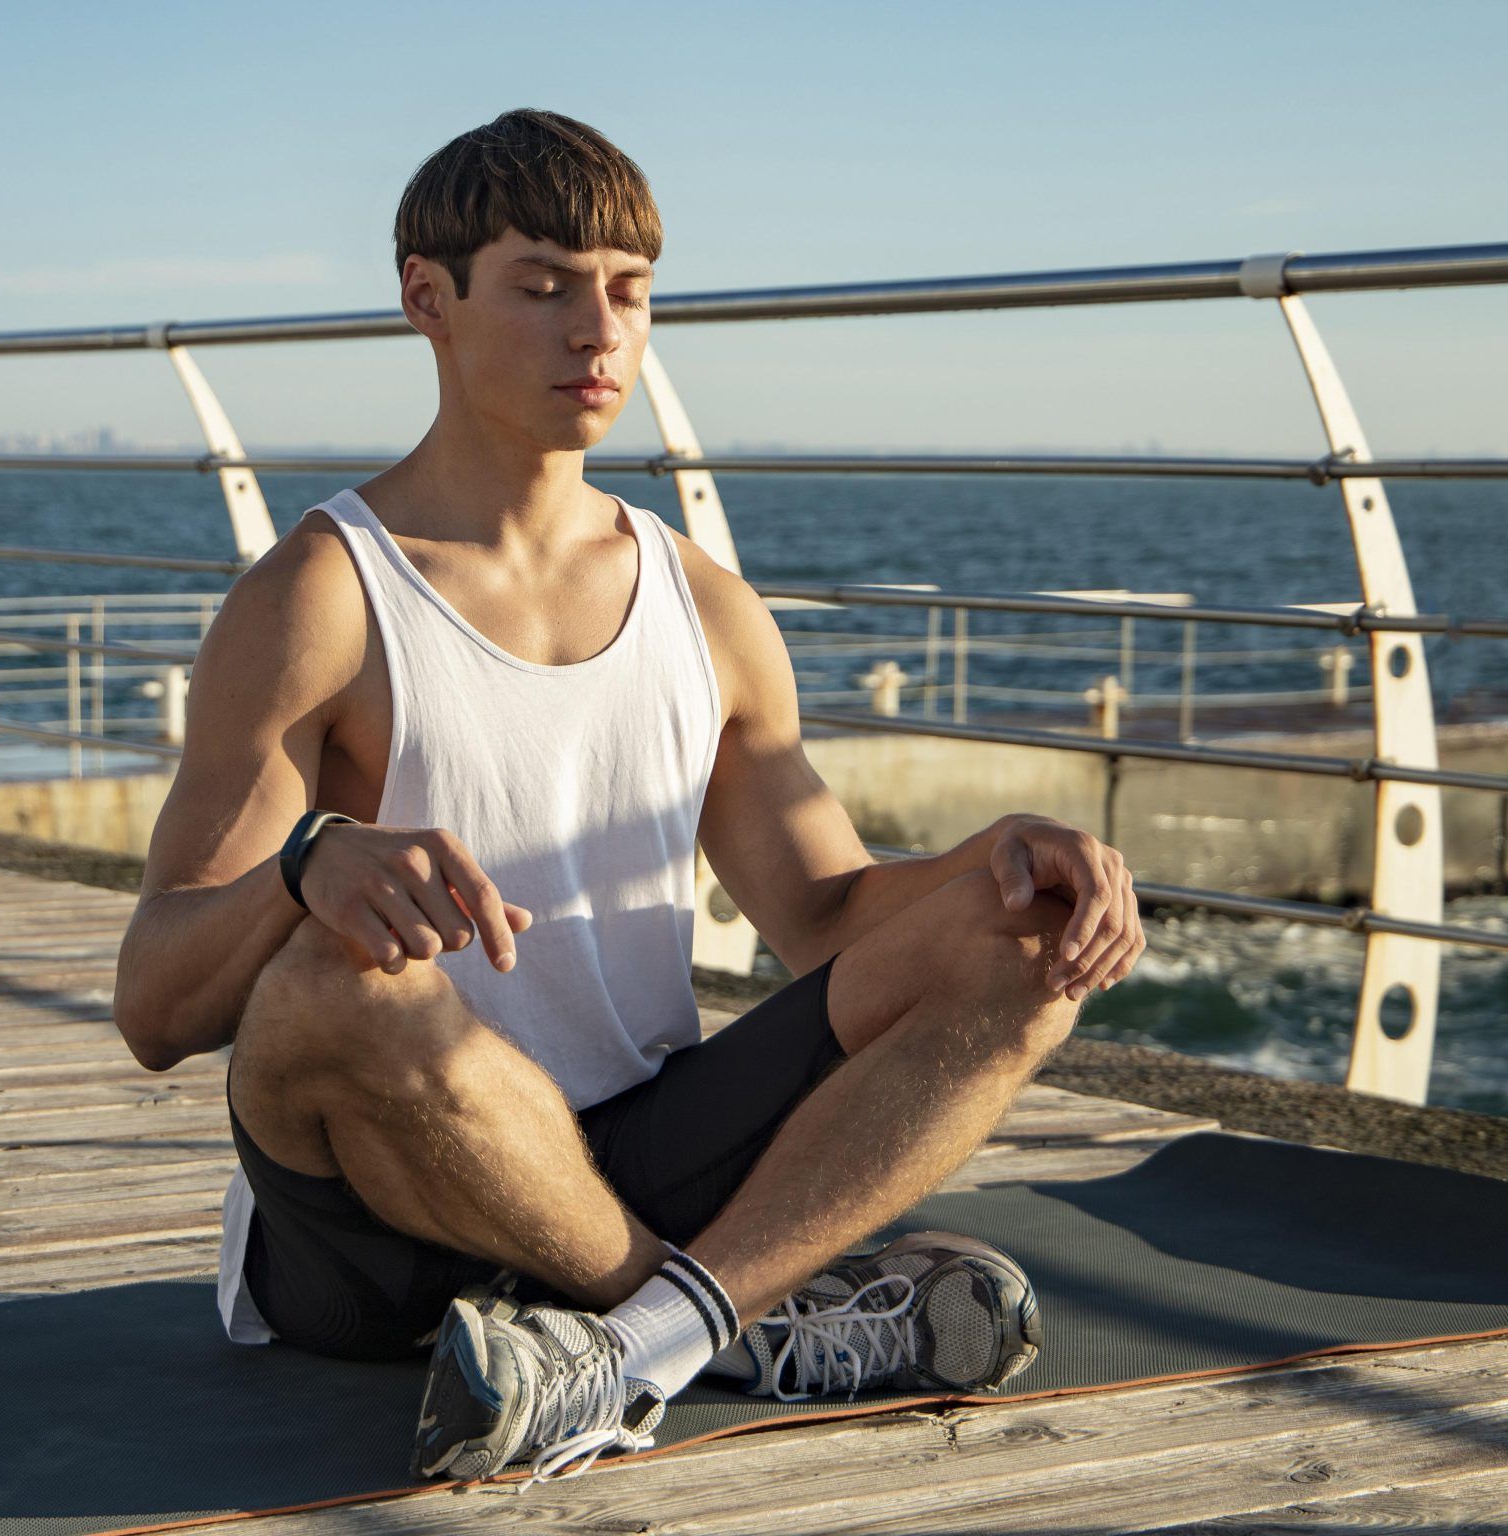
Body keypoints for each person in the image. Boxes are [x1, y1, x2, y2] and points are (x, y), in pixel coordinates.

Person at [112, 107, 1145, 1487]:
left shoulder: (705, 608)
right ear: (430, 299)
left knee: (1024, 938)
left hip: (633, 1161)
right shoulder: (321, 598)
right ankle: (728, 1331)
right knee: (326, 981)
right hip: (374, 1236)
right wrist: (309, 859)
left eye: (628, 293)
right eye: (541, 288)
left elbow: (828, 917)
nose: (596, 333)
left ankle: (638, 1342)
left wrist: (993, 864)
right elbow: (156, 1006)